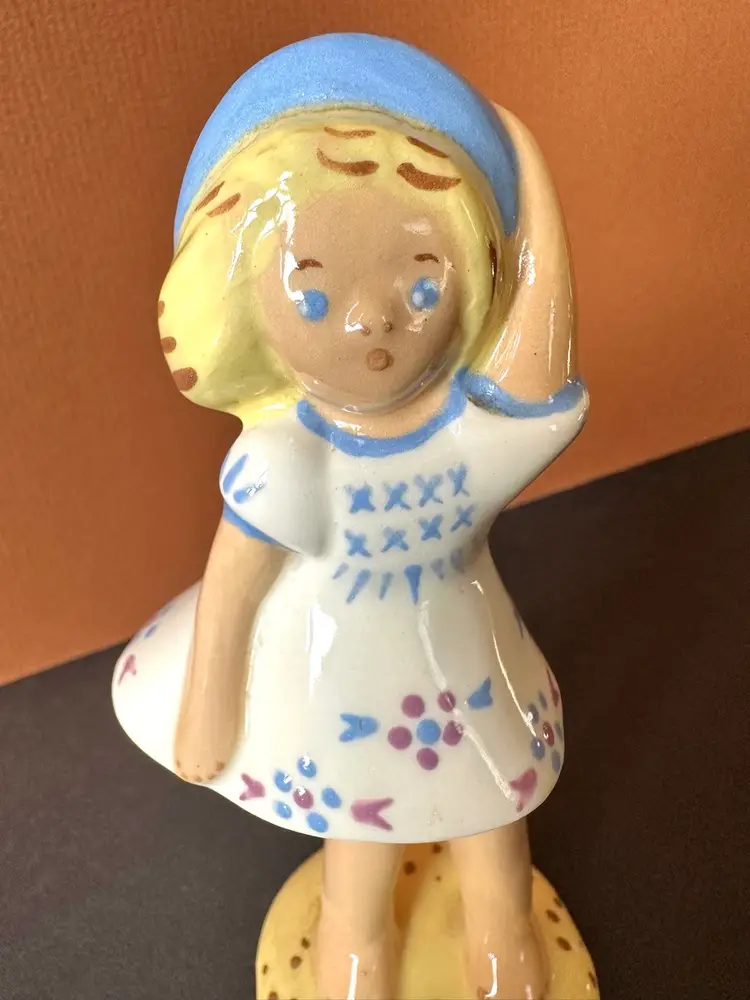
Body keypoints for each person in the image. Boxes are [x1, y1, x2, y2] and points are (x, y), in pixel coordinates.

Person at [113, 34, 588, 1000]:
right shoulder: (289, 458)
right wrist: (211, 702)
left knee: (496, 819)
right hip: (340, 684)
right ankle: (354, 949)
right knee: (359, 839)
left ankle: (503, 936)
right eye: (316, 292)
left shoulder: (466, 436)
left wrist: (530, 193)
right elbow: (235, 583)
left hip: (466, 665)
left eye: (421, 281)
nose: (370, 321)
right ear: (242, 305)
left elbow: (540, 384)